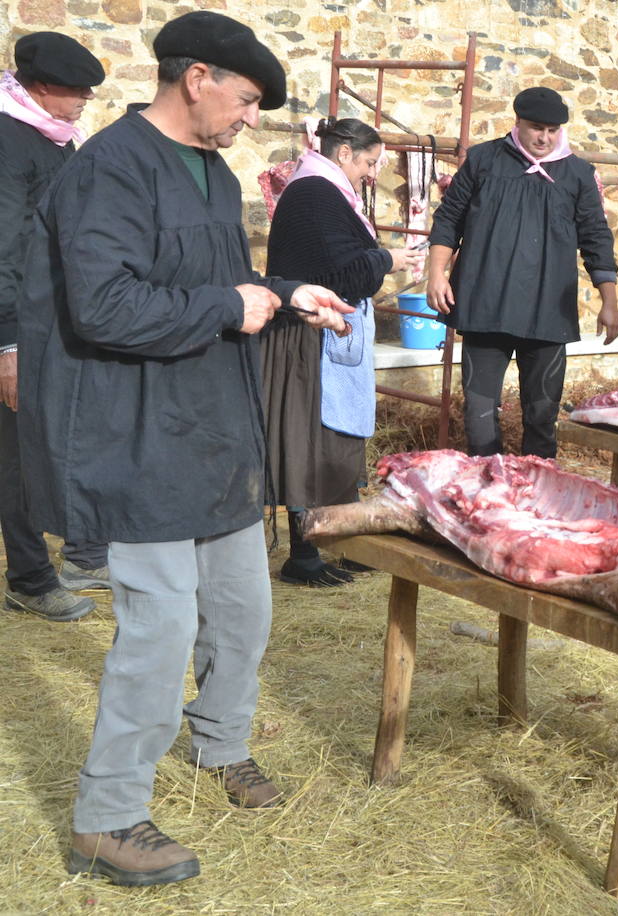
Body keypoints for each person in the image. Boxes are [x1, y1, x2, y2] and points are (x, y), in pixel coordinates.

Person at [17, 11, 351, 886]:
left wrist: (286, 290)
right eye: (243, 99)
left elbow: (212, 285)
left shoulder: (207, 167)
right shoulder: (109, 170)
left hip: (210, 429)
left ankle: (219, 745)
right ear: (195, 77)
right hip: (134, 434)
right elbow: (105, 308)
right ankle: (107, 815)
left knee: (245, 611)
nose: (249, 118)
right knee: (158, 632)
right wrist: (226, 308)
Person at [263, 118, 424, 586]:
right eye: (369, 163)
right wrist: (387, 260)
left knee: (334, 445)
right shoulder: (315, 193)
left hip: (328, 333)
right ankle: (305, 554)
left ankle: (339, 540)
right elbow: (344, 273)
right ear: (344, 154)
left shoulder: (324, 191)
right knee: (311, 442)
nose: (370, 173)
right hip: (309, 336)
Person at [426, 86, 618, 459]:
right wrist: (436, 273)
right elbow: (449, 219)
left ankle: (537, 499)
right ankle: (486, 497)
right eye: (536, 128)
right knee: (479, 415)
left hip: (548, 310)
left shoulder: (578, 174)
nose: (544, 138)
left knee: (542, 415)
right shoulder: (483, 160)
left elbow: (597, 238)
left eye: (552, 130)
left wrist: (608, 299)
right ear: (517, 122)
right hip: (485, 305)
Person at [0, 31, 109, 621]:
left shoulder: (55, 138)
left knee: (70, 440)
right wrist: (6, 343)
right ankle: (31, 577)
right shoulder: (6, 141)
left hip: (57, 324)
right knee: (16, 456)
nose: (84, 103)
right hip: (16, 327)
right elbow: (2, 249)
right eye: (77, 94)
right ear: (41, 89)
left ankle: (84, 553)